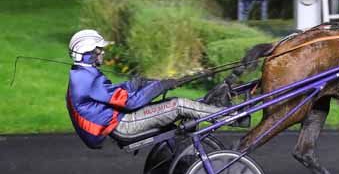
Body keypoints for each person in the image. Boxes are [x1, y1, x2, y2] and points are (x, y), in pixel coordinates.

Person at [66, 29, 224, 149]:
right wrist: (162, 84)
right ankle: (227, 115)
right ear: (88, 53)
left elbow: (113, 93)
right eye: (99, 50)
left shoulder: (82, 74)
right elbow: (130, 102)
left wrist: (139, 83)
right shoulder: (86, 79)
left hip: (117, 121)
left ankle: (184, 155)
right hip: (122, 125)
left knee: (170, 103)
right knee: (179, 104)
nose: (102, 53)